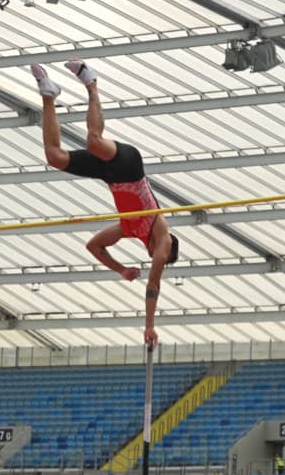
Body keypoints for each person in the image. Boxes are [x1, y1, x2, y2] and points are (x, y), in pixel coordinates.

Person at [30, 61, 180, 346]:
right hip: (130, 167)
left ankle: (48, 94)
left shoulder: (129, 229)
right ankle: (91, 81)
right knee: (94, 141)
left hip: (110, 176)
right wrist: (149, 326)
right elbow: (153, 284)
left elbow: (94, 246)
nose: (153, 258)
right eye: (156, 257)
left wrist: (120, 269)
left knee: (55, 157)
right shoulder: (163, 240)